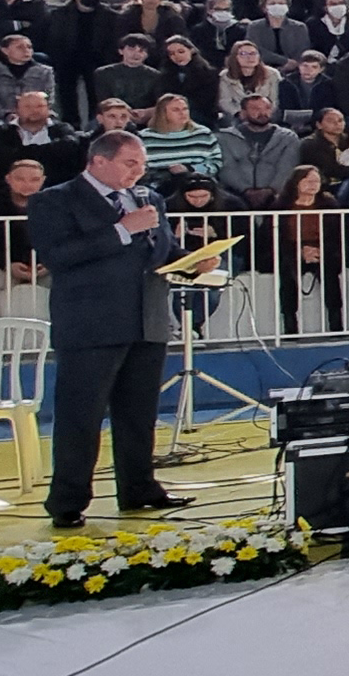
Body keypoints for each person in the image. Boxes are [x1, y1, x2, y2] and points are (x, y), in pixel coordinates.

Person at [27, 129, 216, 527]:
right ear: (99, 161)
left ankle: (139, 487)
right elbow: (59, 256)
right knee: (81, 415)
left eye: (143, 164)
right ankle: (68, 499)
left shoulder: (150, 198)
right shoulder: (55, 200)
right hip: (91, 323)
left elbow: (160, 249)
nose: (139, 172)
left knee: (138, 413)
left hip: (146, 318)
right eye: (130, 163)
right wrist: (121, 229)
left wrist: (192, 260)